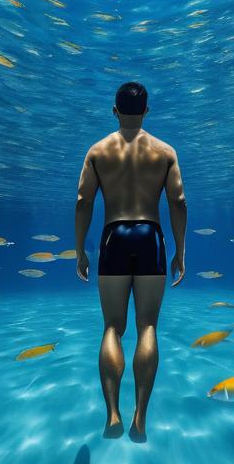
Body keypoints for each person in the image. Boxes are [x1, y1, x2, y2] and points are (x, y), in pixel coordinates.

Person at [75, 82, 186, 443]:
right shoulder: (165, 151)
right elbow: (178, 201)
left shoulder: (98, 151)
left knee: (112, 327)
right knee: (148, 326)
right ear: (147, 111)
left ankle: (112, 414)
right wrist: (179, 251)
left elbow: (83, 202)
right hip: (150, 236)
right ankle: (140, 416)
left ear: (114, 110)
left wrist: (80, 250)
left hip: (114, 236)